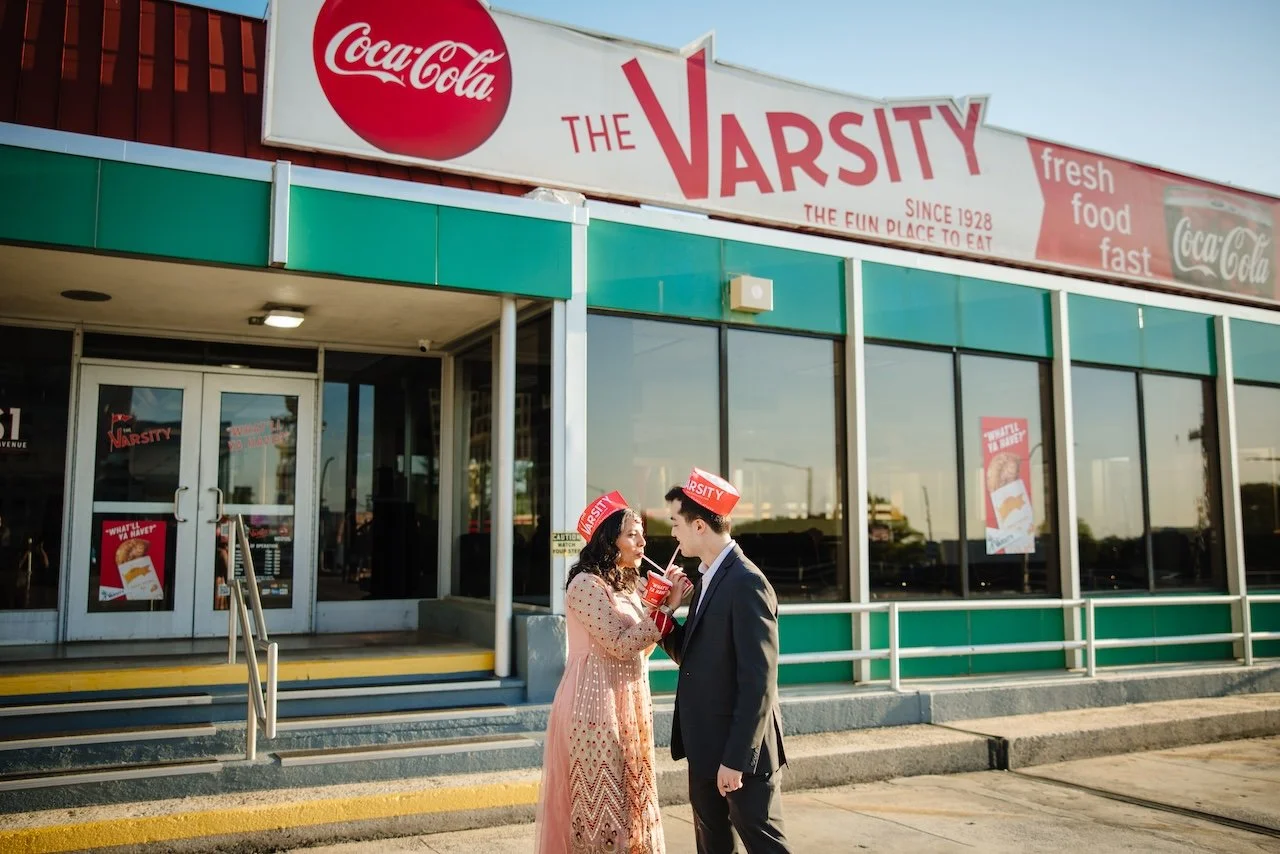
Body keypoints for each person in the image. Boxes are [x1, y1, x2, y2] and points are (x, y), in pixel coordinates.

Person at [648, 468, 791, 853]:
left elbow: (759, 681)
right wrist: (663, 614)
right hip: (705, 747)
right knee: (712, 845)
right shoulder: (708, 577)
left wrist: (736, 760)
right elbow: (694, 659)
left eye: (676, 523)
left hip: (739, 754)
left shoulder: (747, 582)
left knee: (764, 843)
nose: (672, 533)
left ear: (698, 526)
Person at [535, 491, 667, 853]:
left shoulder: (629, 584)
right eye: (631, 534)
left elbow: (644, 647)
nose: (642, 542)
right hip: (594, 704)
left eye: (642, 534)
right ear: (609, 540)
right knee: (601, 808)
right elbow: (619, 643)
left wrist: (657, 603)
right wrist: (662, 611)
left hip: (631, 702)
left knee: (632, 802)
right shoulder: (585, 585)